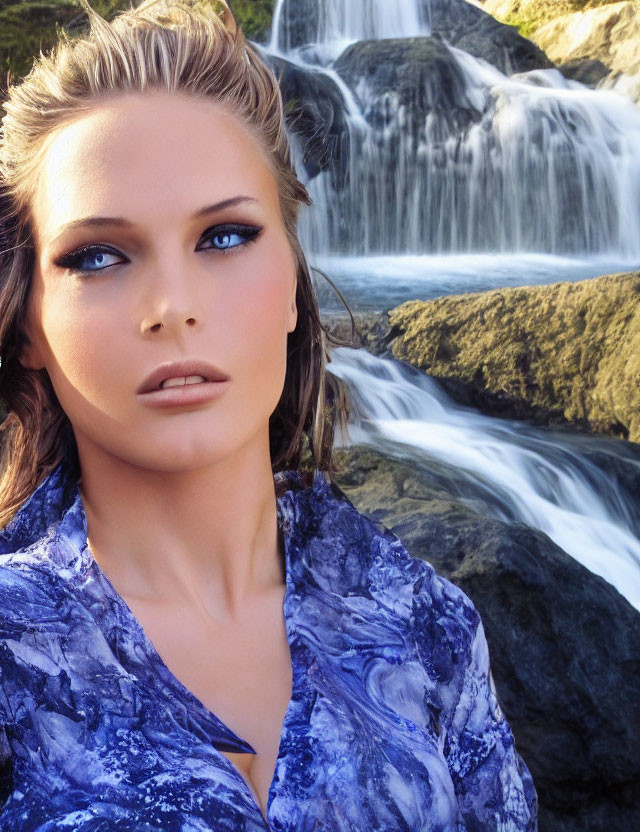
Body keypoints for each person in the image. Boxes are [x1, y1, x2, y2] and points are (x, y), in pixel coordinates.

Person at [0, 0, 538, 829]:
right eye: (96, 256)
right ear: (28, 320)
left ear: (292, 280)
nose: (172, 307)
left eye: (223, 238)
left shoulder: (425, 623)